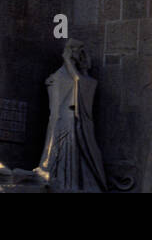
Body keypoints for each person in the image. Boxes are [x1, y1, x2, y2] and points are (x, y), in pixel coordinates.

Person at [37, 40, 109, 192]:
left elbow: (83, 83)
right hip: (62, 123)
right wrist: (68, 62)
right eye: (78, 51)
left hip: (76, 124)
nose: (81, 55)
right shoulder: (58, 76)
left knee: (78, 157)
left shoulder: (81, 78)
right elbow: (56, 105)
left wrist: (76, 67)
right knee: (61, 157)